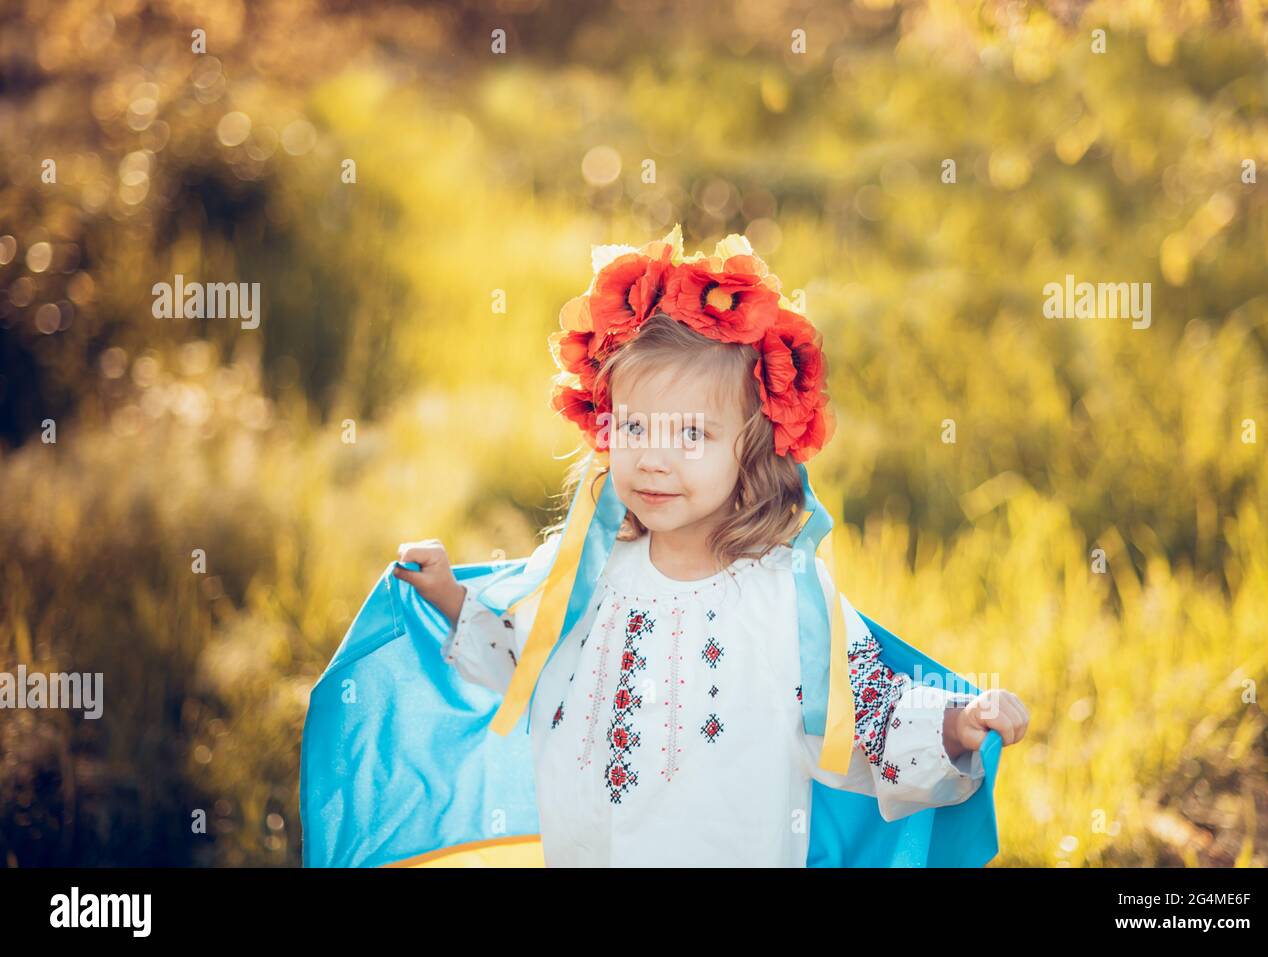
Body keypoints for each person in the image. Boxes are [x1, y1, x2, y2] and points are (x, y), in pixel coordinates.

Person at [390, 227, 1029, 866]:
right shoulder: (590, 572)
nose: (654, 461)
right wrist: (448, 595)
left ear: (749, 449)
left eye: (690, 433)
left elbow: (865, 713)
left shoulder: (786, 595)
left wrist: (954, 724)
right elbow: (523, 658)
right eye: (636, 426)